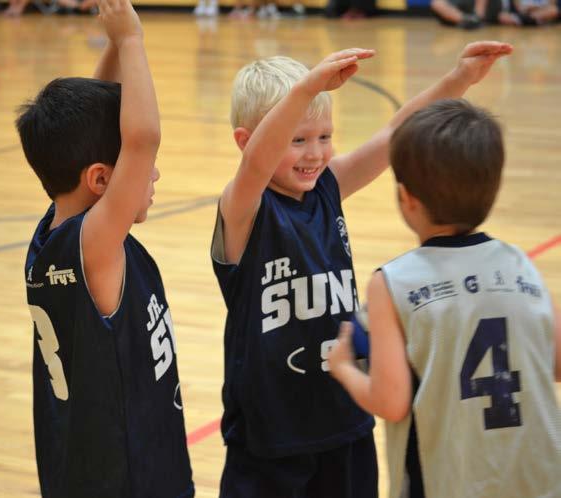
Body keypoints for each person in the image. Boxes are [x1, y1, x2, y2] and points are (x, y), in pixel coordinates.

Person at [211, 42, 512, 498]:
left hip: (344, 416)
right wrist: (307, 88)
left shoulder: (328, 187)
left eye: (324, 136)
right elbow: (256, 163)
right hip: (271, 433)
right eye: (298, 140)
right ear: (245, 140)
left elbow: (396, 132)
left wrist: (460, 79)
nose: (315, 153)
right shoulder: (243, 209)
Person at [328, 98, 561, 498]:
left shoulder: (392, 283)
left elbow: (391, 401)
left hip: (447, 481)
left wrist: (344, 367)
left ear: (407, 197)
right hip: (538, 478)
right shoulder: (520, 264)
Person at [16, 0, 194, 496]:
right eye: (139, 169)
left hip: (92, 463)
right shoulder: (94, 247)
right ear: (100, 180)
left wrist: (114, 44)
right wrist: (131, 39)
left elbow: (98, 129)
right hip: (125, 476)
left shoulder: (59, 227)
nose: (152, 173)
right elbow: (142, 138)